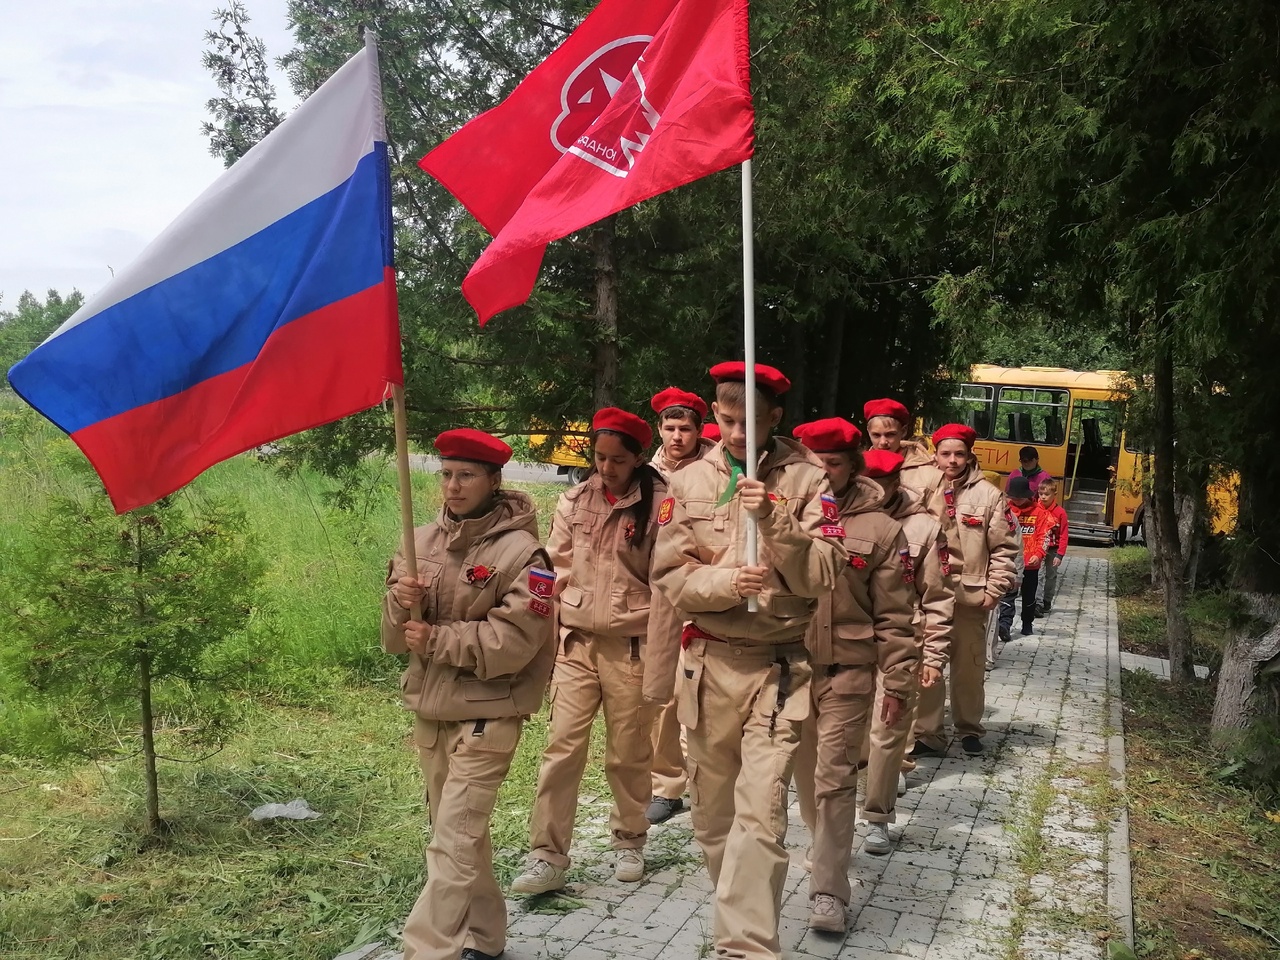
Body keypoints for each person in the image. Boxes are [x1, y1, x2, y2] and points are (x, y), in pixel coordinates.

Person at [652, 362, 846, 960]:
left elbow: (826, 573)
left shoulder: (810, 481)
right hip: (708, 665)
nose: (737, 434)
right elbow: (669, 577)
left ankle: (745, 948)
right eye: (728, 420)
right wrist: (728, 583)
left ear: (777, 419)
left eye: (751, 422)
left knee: (760, 817)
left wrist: (775, 521)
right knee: (712, 823)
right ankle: (737, 909)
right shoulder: (686, 483)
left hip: (778, 667)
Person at [382, 429, 556, 960]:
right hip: (432, 713)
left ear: (494, 480)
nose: (453, 487)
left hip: (488, 715)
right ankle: (486, 937)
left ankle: (427, 950)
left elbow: (517, 643)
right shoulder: (420, 542)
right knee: (460, 835)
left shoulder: (526, 554)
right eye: (447, 475)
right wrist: (399, 600)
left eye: (466, 476)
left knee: (452, 840)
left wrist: (438, 638)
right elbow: (394, 640)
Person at [511, 408, 682, 894]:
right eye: (599, 457)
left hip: (632, 647)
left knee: (627, 754)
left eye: (617, 459)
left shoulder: (661, 506)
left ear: (637, 458)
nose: (605, 468)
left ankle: (629, 840)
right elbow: (555, 569)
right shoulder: (573, 501)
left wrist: (663, 658)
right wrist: (538, 636)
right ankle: (546, 855)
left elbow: (669, 583)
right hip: (577, 644)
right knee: (561, 749)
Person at [789, 419, 917, 933]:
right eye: (815, 463)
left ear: (853, 463)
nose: (823, 473)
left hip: (848, 669)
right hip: (791, 666)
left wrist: (900, 683)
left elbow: (896, 616)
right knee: (801, 775)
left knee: (835, 779)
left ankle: (828, 891)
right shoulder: (790, 517)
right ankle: (825, 848)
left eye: (834, 463)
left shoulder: (882, 530)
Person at [859, 448, 954, 854]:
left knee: (887, 731)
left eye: (881, 484)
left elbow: (937, 596)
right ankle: (841, 803)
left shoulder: (924, 528)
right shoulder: (838, 520)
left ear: (897, 481)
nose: (873, 492)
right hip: (849, 642)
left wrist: (933, 656)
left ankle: (877, 816)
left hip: (901, 642)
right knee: (852, 734)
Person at [912, 424, 1018, 757]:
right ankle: (928, 733)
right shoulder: (920, 490)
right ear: (935, 454)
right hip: (929, 594)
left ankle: (969, 728)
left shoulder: (989, 495)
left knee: (968, 668)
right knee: (928, 665)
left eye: (959, 454)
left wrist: (995, 587)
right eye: (945, 454)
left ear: (969, 455)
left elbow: (1004, 547)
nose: (952, 461)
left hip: (969, 596)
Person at [647, 387, 715, 825]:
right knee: (663, 694)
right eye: (669, 429)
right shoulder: (646, 473)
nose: (677, 437)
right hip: (659, 596)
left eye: (685, 429)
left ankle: (706, 784)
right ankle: (666, 784)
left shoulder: (716, 469)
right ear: (659, 429)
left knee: (706, 692)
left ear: (697, 431)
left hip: (705, 590)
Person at [997, 475, 1056, 640]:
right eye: (1013, 498)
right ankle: (1005, 625)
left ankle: (1027, 622)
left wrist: (1038, 555)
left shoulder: (1040, 513)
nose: (1017, 501)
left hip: (1031, 564)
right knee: (1008, 595)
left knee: (1029, 597)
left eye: (1020, 498)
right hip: (1011, 563)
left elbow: (1044, 537)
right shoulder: (1005, 511)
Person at [863, 397, 942, 494]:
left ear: (903, 431)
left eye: (890, 434)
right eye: (876, 435)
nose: (883, 442)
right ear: (868, 432)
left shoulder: (929, 475)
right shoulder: (856, 471)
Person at [1036, 478, 1069, 615]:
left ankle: (1047, 600)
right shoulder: (1035, 509)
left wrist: (1060, 554)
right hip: (1038, 548)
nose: (1043, 497)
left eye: (1046, 494)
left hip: (1053, 548)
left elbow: (1064, 535)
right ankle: (1037, 602)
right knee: (1038, 575)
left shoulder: (1060, 513)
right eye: (1040, 494)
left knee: (1051, 575)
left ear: (1054, 494)